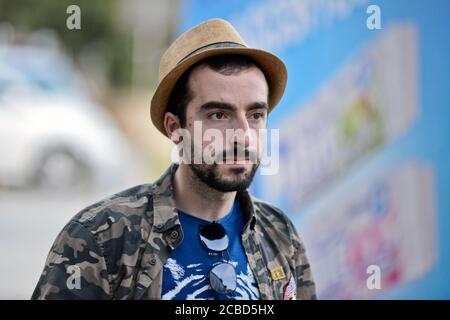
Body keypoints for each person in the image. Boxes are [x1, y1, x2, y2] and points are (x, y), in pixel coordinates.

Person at [32, 18, 316, 300]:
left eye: (255, 115)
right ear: (175, 129)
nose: (243, 136)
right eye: (218, 115)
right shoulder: (99, 238)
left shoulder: (280, 235)